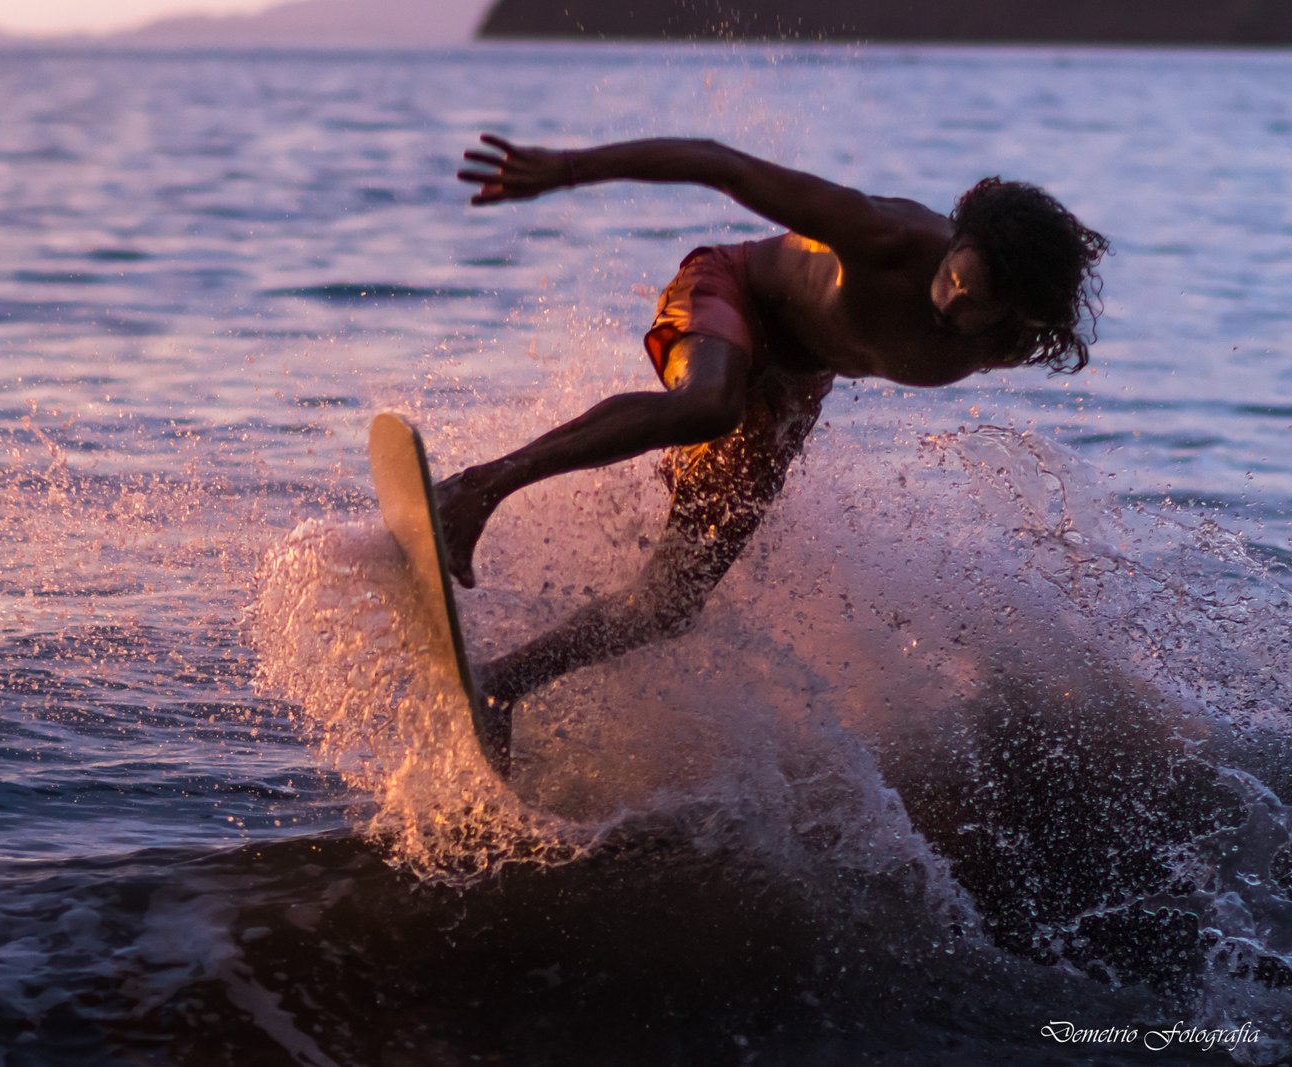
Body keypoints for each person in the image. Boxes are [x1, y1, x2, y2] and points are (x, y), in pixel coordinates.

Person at [439, 133, 1108, 764]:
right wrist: (564, 168)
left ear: (1016, 313)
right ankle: (478, 487)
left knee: (670, 603)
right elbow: (718, 162)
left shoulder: (1010, 340)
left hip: (793, 383)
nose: (949, 303)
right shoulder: (883, 235)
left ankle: (503, 684)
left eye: (974, 304)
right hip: (732, 292)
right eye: (955, 277)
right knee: (708, 405)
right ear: (956, 239)